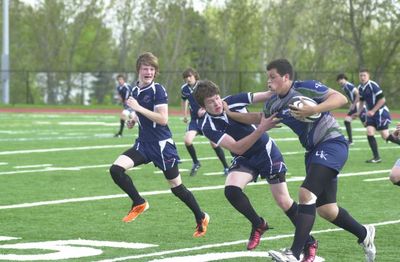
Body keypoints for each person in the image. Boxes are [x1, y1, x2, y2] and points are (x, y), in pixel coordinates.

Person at [225, 59, 376, 262]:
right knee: (327, 210)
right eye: (268, 77)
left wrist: (314, 109)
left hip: (332, 143)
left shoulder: (306, 87)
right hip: (313, 151)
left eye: (273, 77)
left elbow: (340, 98)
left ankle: (295, 253)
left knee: (306, 193)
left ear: (286, 77)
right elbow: (259, 118)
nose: (268, 81)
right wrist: (229, 114)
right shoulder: (274, 103)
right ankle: (364, 234)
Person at [193, 80, 318, 260]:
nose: (217, 103)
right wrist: (261, 128)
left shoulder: (234, 100)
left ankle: (309, 241)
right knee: (231, 191)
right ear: (203, 106)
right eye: (211, 102)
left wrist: (284, 88)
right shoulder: (207, 126)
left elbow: (266, 95)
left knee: (284, 201)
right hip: (244, 156)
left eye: (217, 98)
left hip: (266, 152)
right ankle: (258, 224)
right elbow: (237, 148)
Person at [109, 52, 209, 237]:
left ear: (155, 72)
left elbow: (163, 119)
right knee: (116, 169)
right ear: (138, 70)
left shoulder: (158, 90)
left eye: (152, 69)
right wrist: (133, 120)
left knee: (177, 188)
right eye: (145, 68)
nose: (149, 72)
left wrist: (138, 108)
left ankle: (201, 216)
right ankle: (139, 202)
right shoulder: (135, 90)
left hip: (162, 146)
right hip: (144, 144)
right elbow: (141, 116)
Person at [181, 68, 230, 176]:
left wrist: (204, 109)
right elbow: (185, 101)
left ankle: (226, 167)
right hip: (195, 120)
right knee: (187, 140)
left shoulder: (202, 87)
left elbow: (212, 99)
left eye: (190, 76)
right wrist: (184, 114)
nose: (188, 79)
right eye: (186, 78)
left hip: (206, 119)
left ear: (195, 76)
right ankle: (196, 162)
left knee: (214, 143)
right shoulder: (184, 89)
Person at [357, 68, 400, 163]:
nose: (362, 77)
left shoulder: (373, 85)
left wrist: (373, 111)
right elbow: (361, 101)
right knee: (369, 132)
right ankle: (376, 157)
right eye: (361, 75)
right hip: (371, 114)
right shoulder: (360, 87)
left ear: (368, 76)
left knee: (385, 135)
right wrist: (359, 112)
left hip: (381, 113)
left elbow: (382, 100)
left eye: (364, 75)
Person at [336, 73, 359, 145]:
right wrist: (352, 104)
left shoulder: (348, 85)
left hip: (359, 106)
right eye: (338, 81)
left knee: (368, 124)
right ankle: (350, 141)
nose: (339, 82)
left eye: (340, 80)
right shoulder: (344, 87)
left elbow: (358, 94)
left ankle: (388, 135)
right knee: (347, 121)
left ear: (344, 79)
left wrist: (355, 104)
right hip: (355, 105)